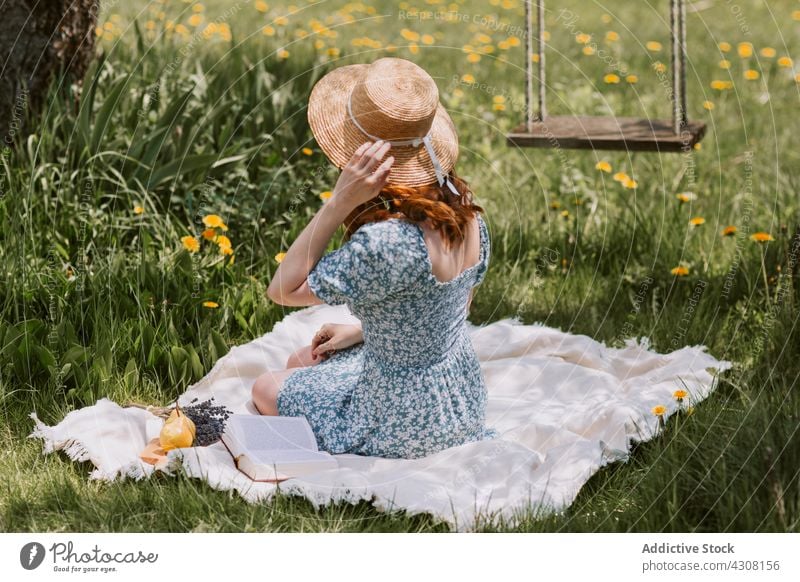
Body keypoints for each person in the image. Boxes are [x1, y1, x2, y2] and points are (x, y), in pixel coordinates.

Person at [252, 57, 497, 459]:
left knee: (265, 386)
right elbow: (449, 310)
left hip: (400, 420)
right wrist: (364, 331)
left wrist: (339, 202)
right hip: (460, 403)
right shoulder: (467, 215)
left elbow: (283, 288)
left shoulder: (388, 242)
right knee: (303, 357)